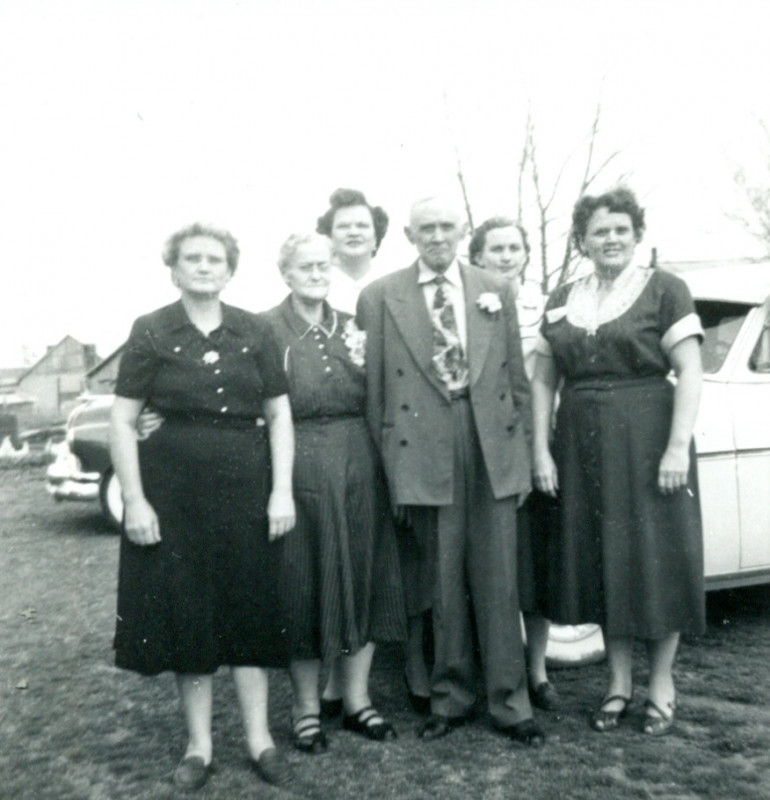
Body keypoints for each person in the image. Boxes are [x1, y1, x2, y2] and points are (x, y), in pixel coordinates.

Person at [109, 223, 295, 791]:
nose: (204, 267)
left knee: (249, 611)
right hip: (175, 496)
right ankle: (200, 747)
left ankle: (261, 741)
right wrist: (136, 501)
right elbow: (122, 418)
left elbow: (280, 414)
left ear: (231, 268)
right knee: (189, 614)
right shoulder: (151, 330)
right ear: (174, 268)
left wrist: (281, 490)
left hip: (246, 489)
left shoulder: (256, 329)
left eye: (216, 259)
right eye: (193, 258)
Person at [357, 196, 545, 746]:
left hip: (492, 444)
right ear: (411, 236)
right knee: (441, 581)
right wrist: (390, 469)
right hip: (423, 448)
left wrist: (527, 458)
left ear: (462, 231)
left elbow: (515, 378)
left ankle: (512, 704)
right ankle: (450, 698)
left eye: (446, 226)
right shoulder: (380, 296)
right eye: (426, 228)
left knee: (498, 579)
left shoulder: (494, 288)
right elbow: (375, 394)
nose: (437, 236)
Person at [532, 187, 705, 737]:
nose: (610, 239)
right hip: (582, 445)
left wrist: (677, 446)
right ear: (582, 239)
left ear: (636, 235)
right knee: (607, 561)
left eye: (620, 230)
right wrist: (541, 449)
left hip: (650, 438)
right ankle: (617, 682)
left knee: (655, 560)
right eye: (599, 231)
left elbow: (691, 370)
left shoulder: (664, 289)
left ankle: (660, 684)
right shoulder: (562, 297)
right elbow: (542, 380)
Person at [263, 232, 405, 752]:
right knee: (302, 584)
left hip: (360, 464)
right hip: (297, 466)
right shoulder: (266, 330)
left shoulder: (353, 326)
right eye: (306, 266)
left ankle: (356, 700)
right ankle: (304, 709)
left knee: (364, 579)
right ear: (287, 273)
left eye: (324, 265)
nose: (318, 273)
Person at [468, 217, 560, 712]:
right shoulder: (467, 304)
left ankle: (538, 669)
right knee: (493, 564)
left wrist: (538, 445)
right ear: (478, 257)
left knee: (535, 564)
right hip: (488, 449)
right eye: (494, 249)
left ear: (526, 253)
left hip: (540, 441)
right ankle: (490, 664)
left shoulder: (547, 308)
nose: (505, 257)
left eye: (513, 248)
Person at [316, 188, 390, 314]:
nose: (354, 233)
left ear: (375, 238)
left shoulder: (391, 285)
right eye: (343, 226)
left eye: (362, 226)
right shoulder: (317, 285)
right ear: (330, 237)